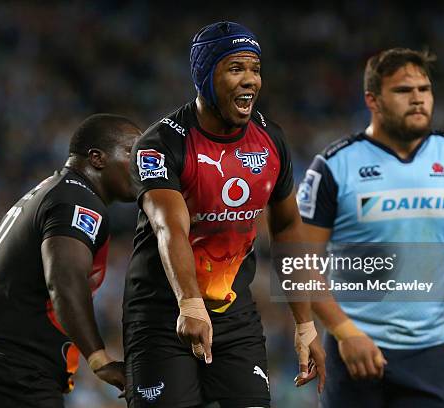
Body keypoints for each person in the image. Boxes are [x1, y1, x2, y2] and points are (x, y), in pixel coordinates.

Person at [123, 21, 326, 408]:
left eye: (255, 69)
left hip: (234, 313)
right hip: (163, 315)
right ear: (203, 75)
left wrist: (305, 323)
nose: (250, 80)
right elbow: (170, 229)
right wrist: (190, 304)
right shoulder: (161, 144)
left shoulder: (272, 141)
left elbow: (287, 227)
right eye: (236, 69)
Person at [297, 48, 444, 407]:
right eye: (404, 91)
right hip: (353, 351)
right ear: (372, 100)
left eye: (425, 89)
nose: (418, 98)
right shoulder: (333, 166)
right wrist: (345, 333)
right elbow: (297, 263)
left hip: (428, 356)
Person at [0, 114, 141, 407]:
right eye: (133, 152)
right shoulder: (78, 200)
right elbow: (64, 280)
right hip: (4, 369)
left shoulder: (51, 191)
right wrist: (99, 358)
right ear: (97, 158)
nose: (142, 164)